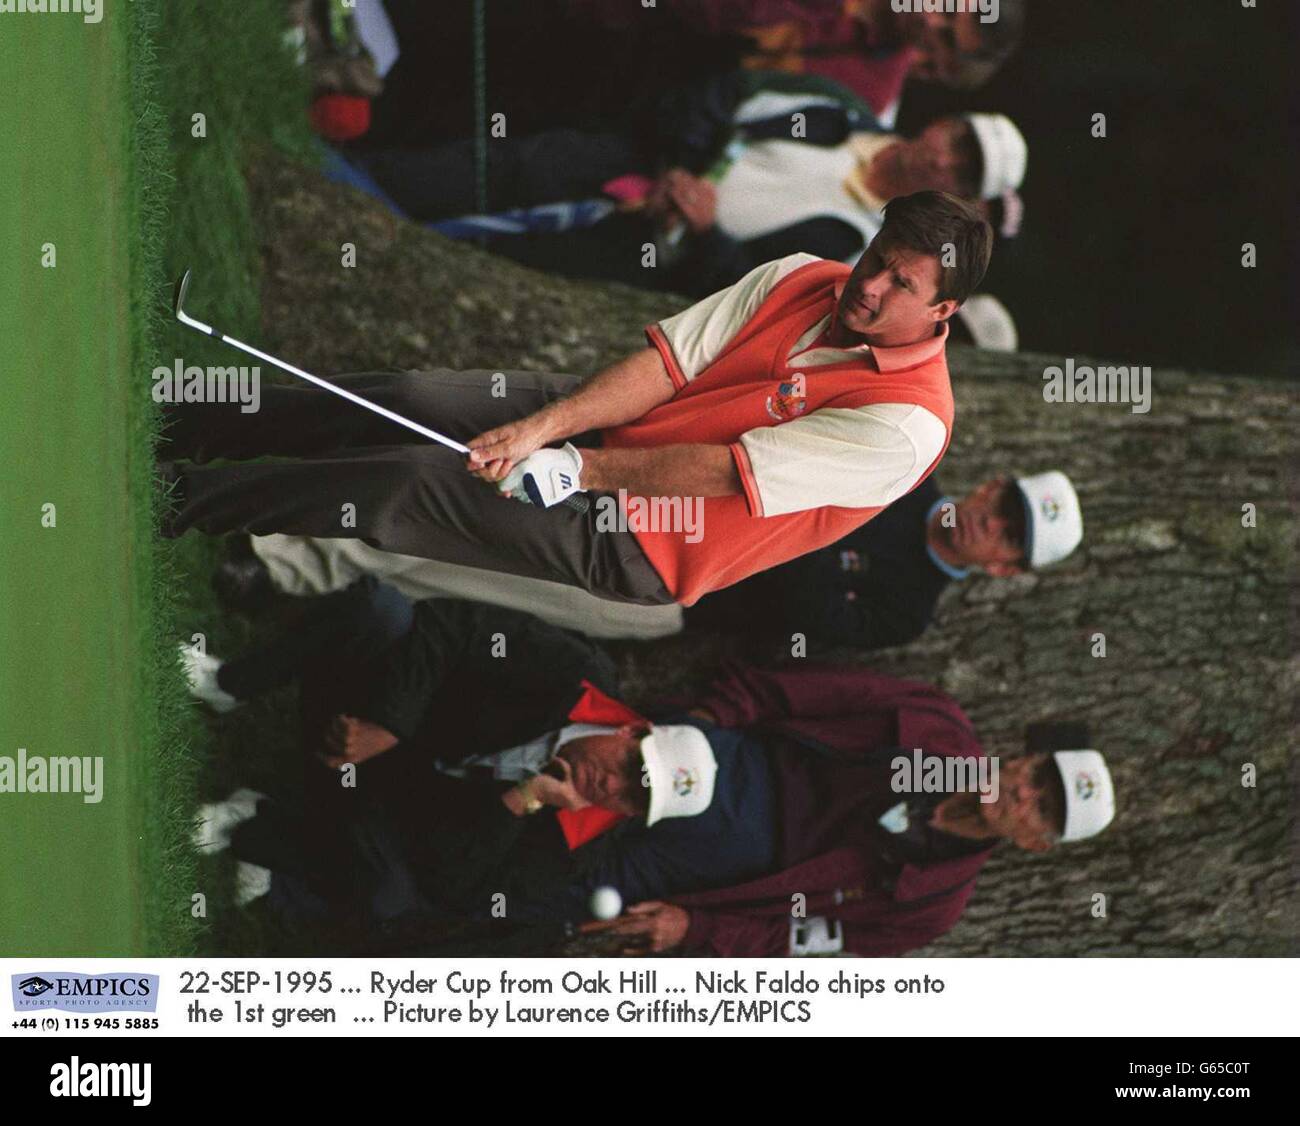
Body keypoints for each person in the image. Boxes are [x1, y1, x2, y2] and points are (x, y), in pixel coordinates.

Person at [160, 191, 991, 612]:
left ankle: (185, 500)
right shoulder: (806, 275)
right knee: (413, 394)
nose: (871, 285)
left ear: (943, 312)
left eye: (902, 284)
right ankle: (185, 417)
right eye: (877, 256)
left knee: (411, 486)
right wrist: (544, 429)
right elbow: (670, 364)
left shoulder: (909, 427)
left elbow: (725, 473)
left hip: (650, 536)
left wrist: (577, 470)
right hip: (611, 426)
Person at [587, 662, 1117, 957]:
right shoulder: (938, 722)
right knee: (586, 761)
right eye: (1036, 777)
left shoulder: (935, 903)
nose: (1024, 793)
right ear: (1025, 759)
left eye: (1042, 810)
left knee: (580, 888)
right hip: (741, 762)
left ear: (1033, 843)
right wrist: (701, 723)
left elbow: (801, 942)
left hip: (743, 861)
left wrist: (696, 928)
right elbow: (796, 691)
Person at [687, 469, 1083, 651]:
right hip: (704, 494)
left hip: (692, 591)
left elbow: (799, 610)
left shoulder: (906, 613)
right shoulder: (904, 472)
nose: (990, 522)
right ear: (989, 486)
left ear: (1003, 569)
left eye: (1009, 535)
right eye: (1003, 505)